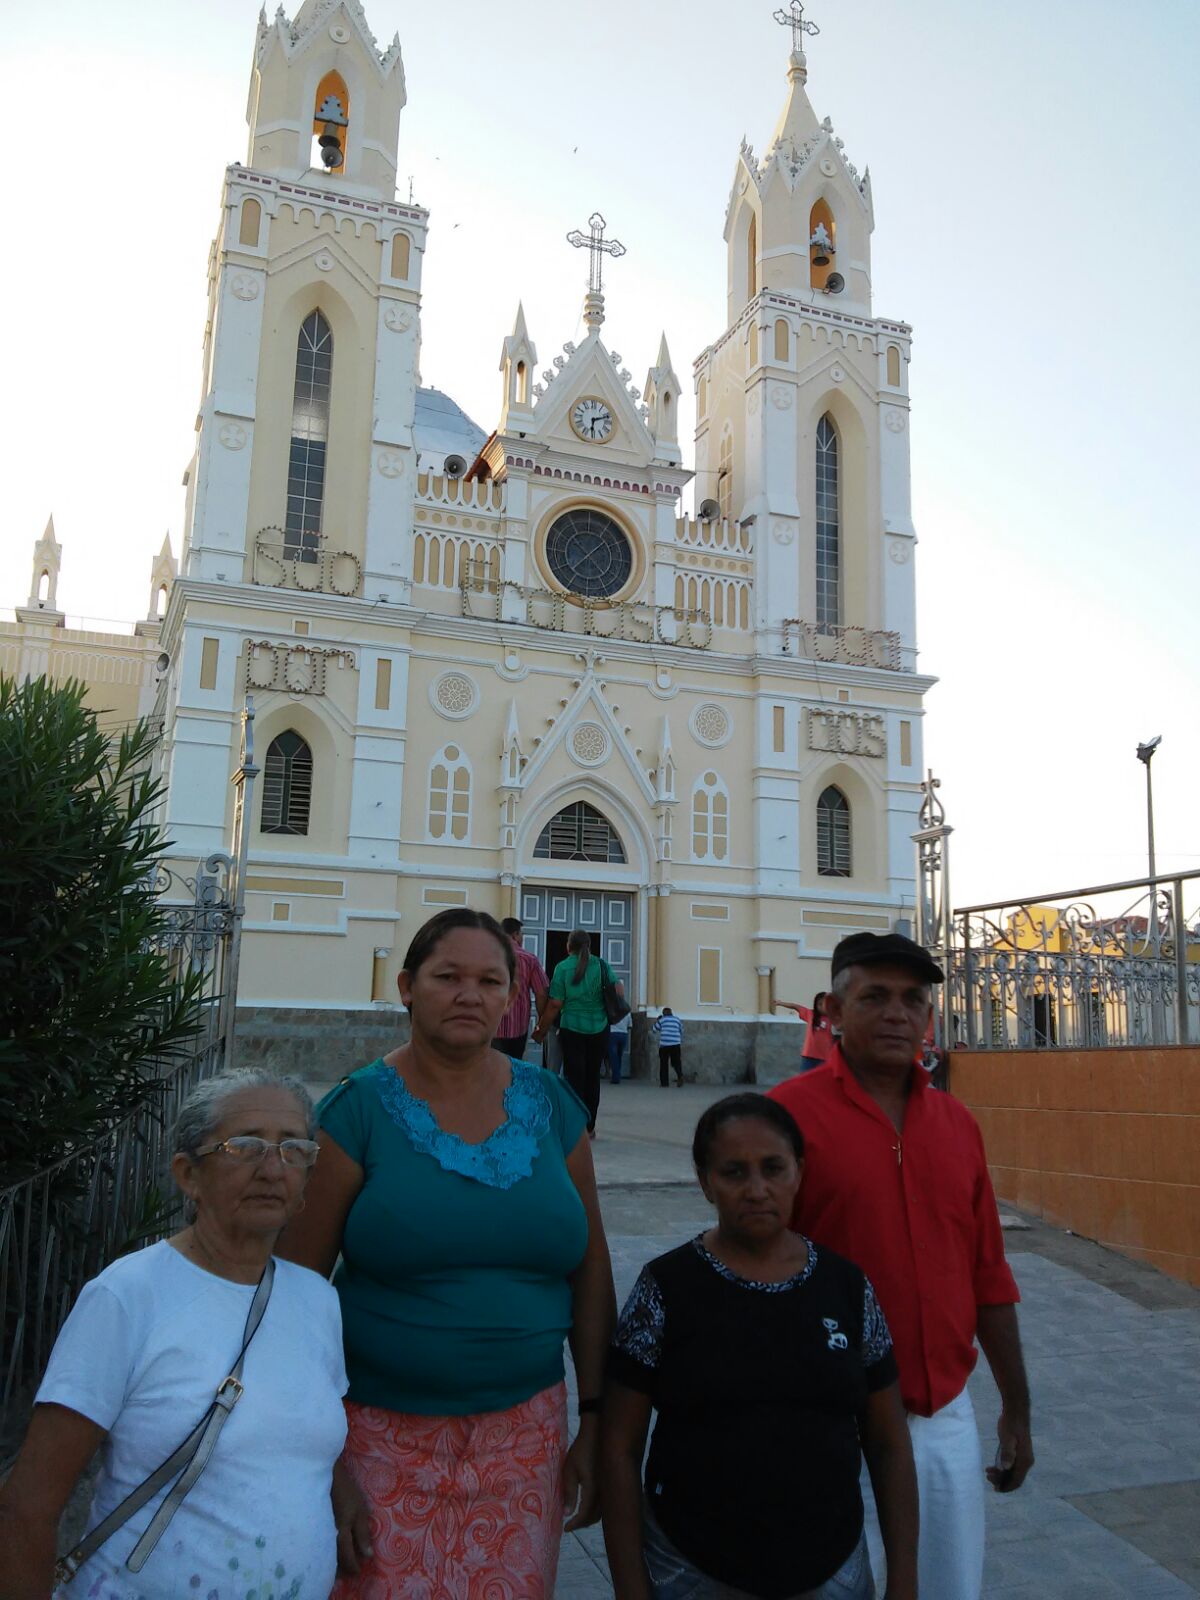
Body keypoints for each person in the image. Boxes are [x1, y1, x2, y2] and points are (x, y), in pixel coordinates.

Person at [277, 907, 616, 1598]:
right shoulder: (356, 1112)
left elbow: (592, 1272)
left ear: (511, 995)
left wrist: (597, 1420)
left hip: (526, 1443)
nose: (470, 995)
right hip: (378, 1442)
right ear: (406, 986)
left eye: (491, 980)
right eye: (447, 977)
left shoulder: (552, 1106)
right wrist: (324, 1463)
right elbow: (292, 1294)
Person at [0, 1069, 360, 1597]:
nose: (272, 1168)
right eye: (245, 1146)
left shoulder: (317, 1300)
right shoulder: (127, 1297)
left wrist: (341, 1490)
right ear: (188, 1175)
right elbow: (27, 1506)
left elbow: (293, 1435)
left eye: (292, 1149)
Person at [769, 932, 1033, 1600]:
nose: (897, 1014)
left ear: (928, 1018)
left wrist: (1016, 1409)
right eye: (875, 997)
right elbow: (751, 1270)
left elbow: (988, 1275)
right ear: (830, 1009)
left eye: (913, 1000)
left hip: (941, 1416)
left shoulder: (957, 1124)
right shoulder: (782, 1119)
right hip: (823, 1419)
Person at [602, 1094, 918, 1600]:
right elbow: (618, 1449)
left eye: (773, 1168)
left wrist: (904, 1577)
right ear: (705, 1181)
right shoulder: (665, 1289)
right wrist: (631, 1589)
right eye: (733, 1172)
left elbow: (888, 1440)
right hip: (690, 1569)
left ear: (799, 1172)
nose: (756, 1190)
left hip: (832, 1569)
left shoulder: (846, 1287)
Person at [535, 929, 623, 1139]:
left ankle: (575, 1127)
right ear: (589, 946)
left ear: (569, 946)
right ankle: (589, 1127)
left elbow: (555, 1003)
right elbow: (618, 990)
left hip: (572, 1029)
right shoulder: (601, 965)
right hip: (599, 1028)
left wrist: (541, 1028)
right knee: (592, 1078)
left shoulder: (563, 967)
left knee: (574, 1078)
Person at [492, 914, 549, 1061]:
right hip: (518, 1027)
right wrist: (541, 1023)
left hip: (491, 1025)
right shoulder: (529, 959)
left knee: (490, 1070)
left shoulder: (488, 956)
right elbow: (541, 993)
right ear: (516, 934)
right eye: (521, 934)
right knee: (514, 1068)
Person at [776, 990, 835, 1072]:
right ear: (816, 1005)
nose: (822, 1007)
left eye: (825, 1004)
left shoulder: (833, 1019)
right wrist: (781, 1003)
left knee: (821, 1081)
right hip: (808, 1056)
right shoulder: (810, 1014)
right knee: (804, 1080)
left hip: (824, 1057)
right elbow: (795, 1006)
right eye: (820, 1004)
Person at [652, 1007, 684, 1087]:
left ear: (663, 1014)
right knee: (676, 1062)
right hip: (676, 1044)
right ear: (671, 1013)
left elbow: (654, 1029)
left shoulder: (662, 1020)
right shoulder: (677, 1019)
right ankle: (680, 1075)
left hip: (664, 1045)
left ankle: (664, 1083)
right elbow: (682, 1030)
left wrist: (658, 1020)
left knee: (664, 1064)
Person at [608, 1007, 632, 1084]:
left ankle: (615, 1077)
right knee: (619, 1056)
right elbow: (630, 1026)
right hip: (623, 1035)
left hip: (612, 1033)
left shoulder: (611, 1010)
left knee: (613, 1056)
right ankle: (618, 1075)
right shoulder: (627, 1012)